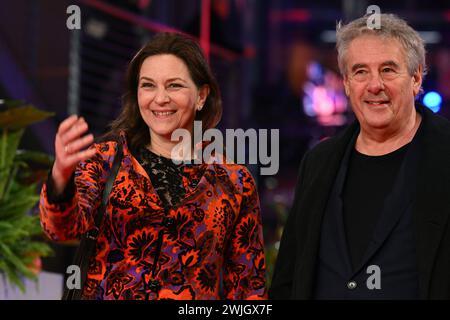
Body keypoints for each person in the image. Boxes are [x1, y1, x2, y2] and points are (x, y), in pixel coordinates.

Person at [39, 32, 267, 300]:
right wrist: (60, 178)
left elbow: (249, 290)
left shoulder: (233, 182)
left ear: (201, 96)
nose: (160, 98)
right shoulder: (104, 160)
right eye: (148, 85)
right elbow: (61, 229)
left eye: (174, 86)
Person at [270, 13, 450, 299]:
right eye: (360, 71)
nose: (374, 85)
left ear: (416, 78)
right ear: (346, 83)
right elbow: (288, 279)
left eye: (388, 70)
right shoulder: (318, 162)